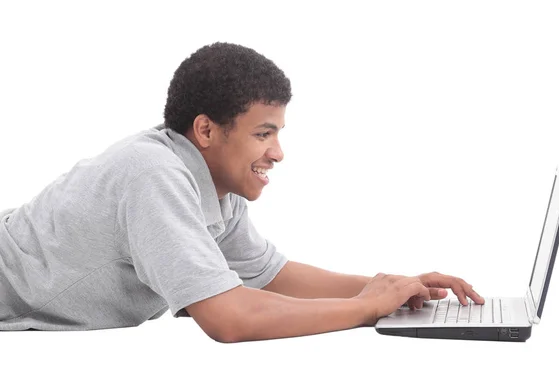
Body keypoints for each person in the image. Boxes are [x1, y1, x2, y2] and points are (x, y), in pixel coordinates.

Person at [0, 42, 484, 342]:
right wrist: (364, 309)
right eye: (263, 134)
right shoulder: (154, 174)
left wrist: (393, 289)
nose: (277, 153)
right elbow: (229, 319)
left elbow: (269, 276)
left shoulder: (212, 186)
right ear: (206, 131)